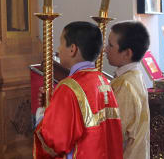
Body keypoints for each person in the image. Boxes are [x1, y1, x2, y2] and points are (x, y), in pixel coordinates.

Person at [34, 21, 123, 159]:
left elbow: (54, 141)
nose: (58, 48)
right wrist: (53, 105)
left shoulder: (68, 88)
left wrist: (42, 115)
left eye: (61, 43)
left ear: (72, 49)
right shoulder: (103, 81)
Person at [105, 21, 150, 159]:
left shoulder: (126, 85)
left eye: (110, 45)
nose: (106, 49)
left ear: (127, 53)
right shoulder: (135, 75)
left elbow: (116, 133)